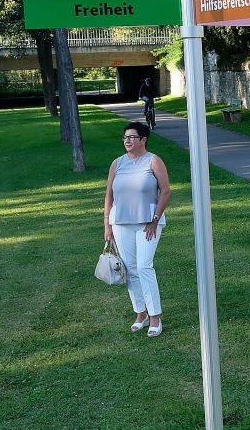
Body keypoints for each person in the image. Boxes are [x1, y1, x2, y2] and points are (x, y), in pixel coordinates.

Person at [103, 121, 171, 337]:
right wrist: (107, 224)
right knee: (130, 268)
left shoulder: (153, 161)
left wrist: (155, 219)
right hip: (121, 222)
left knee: (143, 266)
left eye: (132, 137)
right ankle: (140, 313)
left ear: (143, 140)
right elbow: (109, 196)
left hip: (147, 224)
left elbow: (166, 191)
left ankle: (155, 317)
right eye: (125, 137)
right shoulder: (117, 163)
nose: (127, 141)